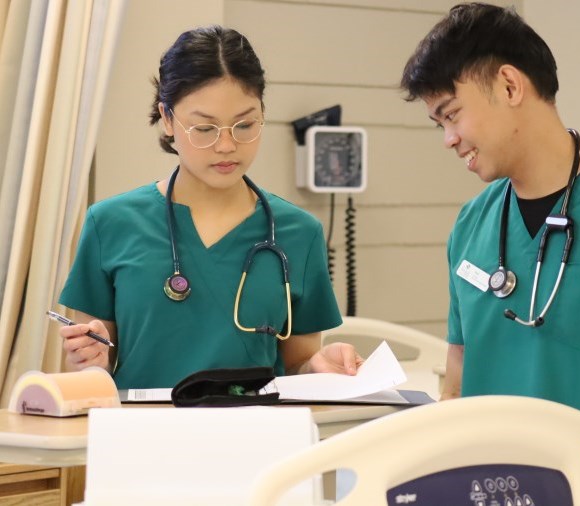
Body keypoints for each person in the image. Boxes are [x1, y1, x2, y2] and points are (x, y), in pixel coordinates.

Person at [400, 3, 580, 505]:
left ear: (511, 86)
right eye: (438, 124)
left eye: (451, 114)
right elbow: (457, 385)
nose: (449, 139)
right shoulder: (472, 225)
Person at [58, 25, 362, 389]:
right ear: (168, 120)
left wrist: (318, 365)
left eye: (245, 124)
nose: (227, 146)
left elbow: (297, 363)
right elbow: (95, 365)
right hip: (142, 435)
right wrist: (90, 360)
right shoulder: (110, 224)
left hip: (263, 435)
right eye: (205, 129)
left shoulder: (299, 233)